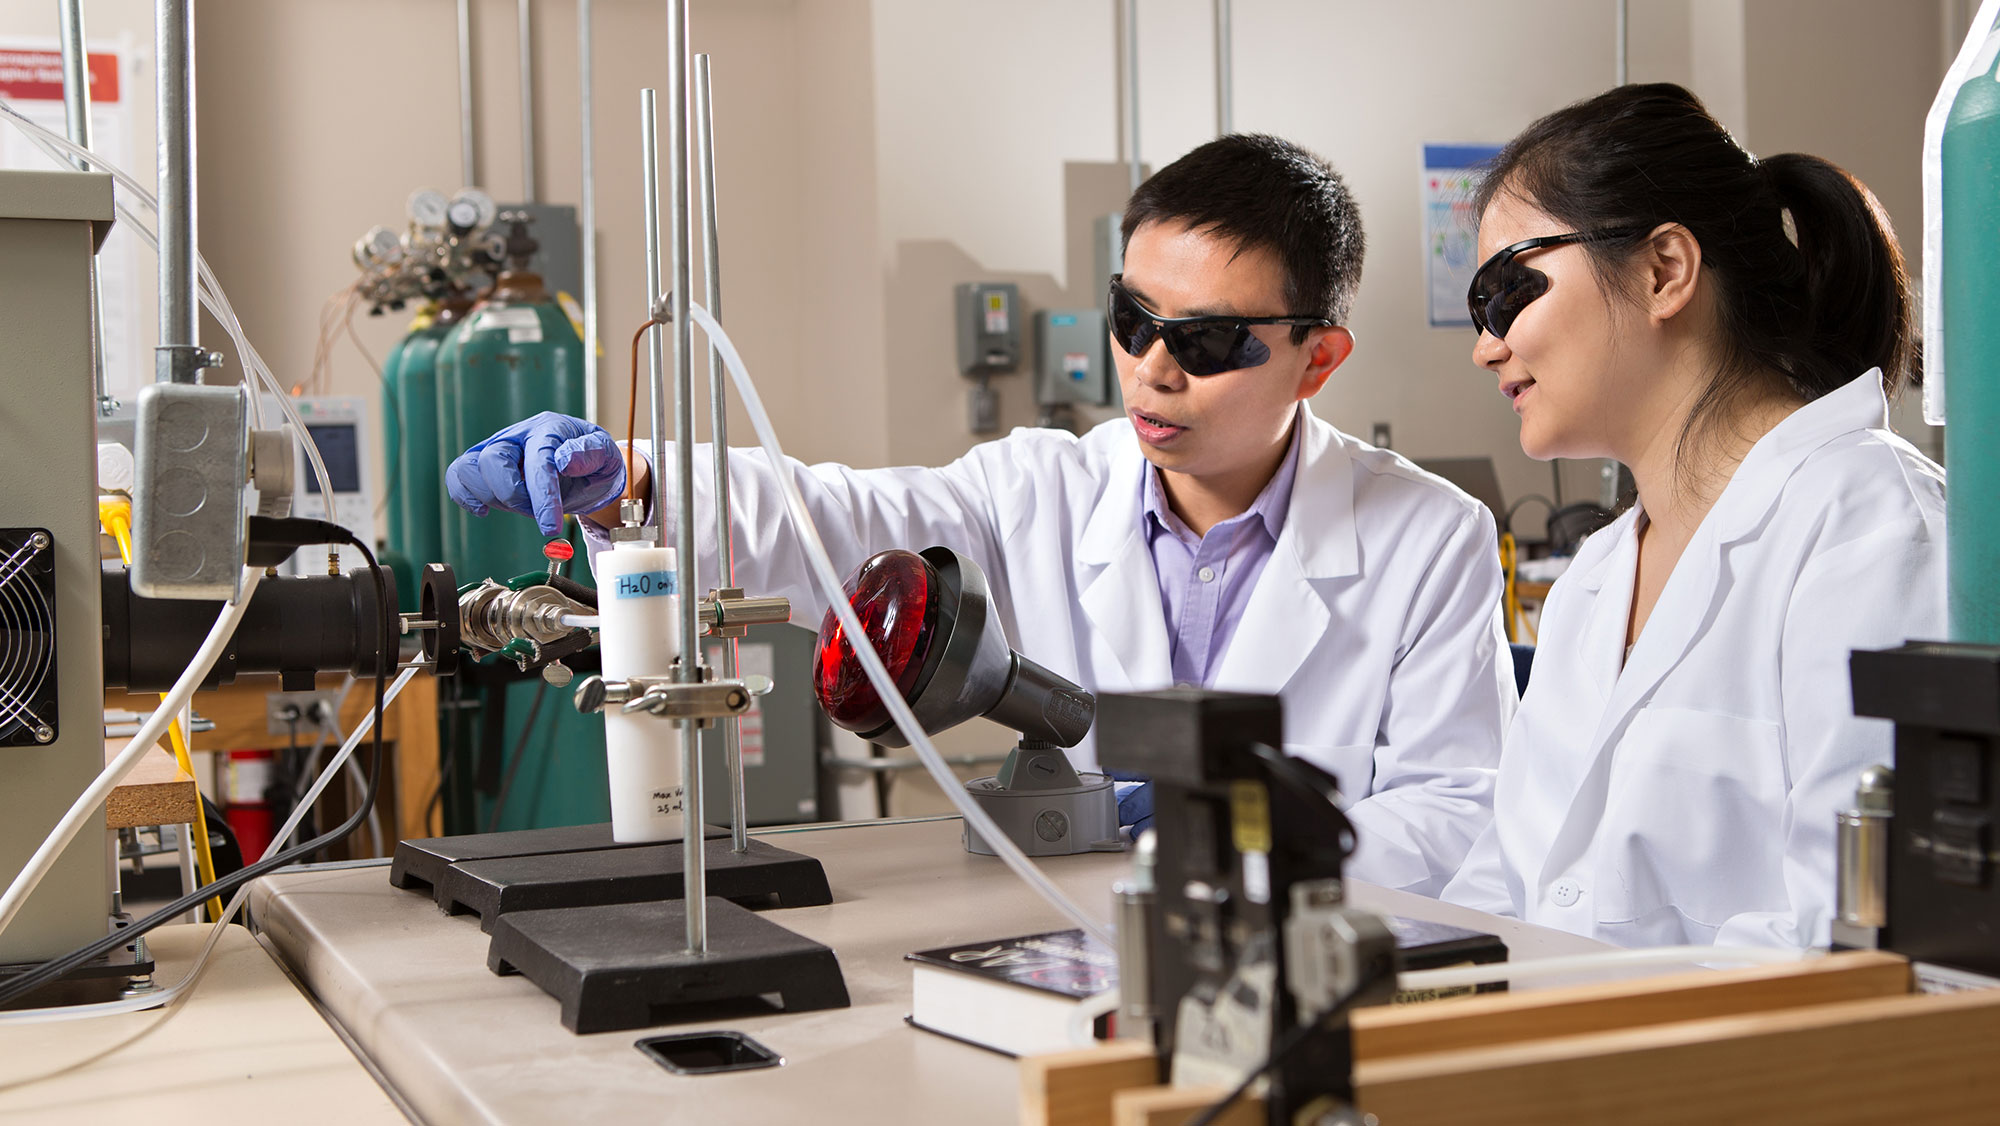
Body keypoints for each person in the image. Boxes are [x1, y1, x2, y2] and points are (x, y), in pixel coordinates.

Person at [447, 134, 1516, 895]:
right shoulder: (1037, 487)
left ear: (1316, 357)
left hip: (1311, 957)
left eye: (1205, 342)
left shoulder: (1430, 535)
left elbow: (1453, 809)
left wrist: (1225, 853)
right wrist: (630, 481)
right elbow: (833, 521)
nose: (1149, 370)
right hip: (1068, 936)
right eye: (1131, 320)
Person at [1440, 84, 1945, 947]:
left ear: (1663, 270)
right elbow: (1505, 883)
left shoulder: (1869, 526)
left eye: (1505, 290)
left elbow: (1858, 939)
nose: (1486, 344)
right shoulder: (1594, 582)